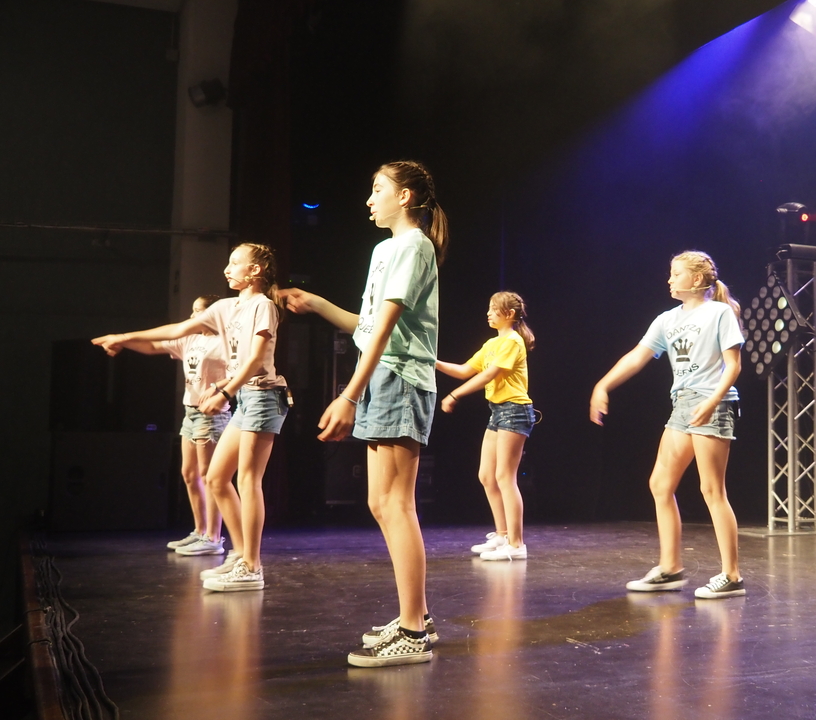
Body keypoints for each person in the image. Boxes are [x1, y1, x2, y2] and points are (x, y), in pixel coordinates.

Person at [279, 160, 447, 668]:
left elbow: (387, 329)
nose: (370, 200)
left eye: (378, 190)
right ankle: (416, 615)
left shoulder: (414, 246)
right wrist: (316, 303)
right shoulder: (384, 250)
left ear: (406, 196)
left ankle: (414, 631)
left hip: (400, 379)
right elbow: (367, 324)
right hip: (379, 377)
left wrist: (348, 396)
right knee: (380, 501)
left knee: (397, 504)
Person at [94, 243, 289, 593]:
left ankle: (252, 566)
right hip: (245, 398)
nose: (227, 269)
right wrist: (124, 338)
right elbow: (176, 330)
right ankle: (241, 556)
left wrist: (225, 392)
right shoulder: (226, 307)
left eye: (235, 263)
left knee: (248, 480)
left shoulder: (263, 306)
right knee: (215, 478)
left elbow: (258, 359)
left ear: (255, 271)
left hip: (263, 396)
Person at [589, 250, 746, 599]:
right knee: (660, 484)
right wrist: (603, 385)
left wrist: (712, 401)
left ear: (696, 279)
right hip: (682, 403)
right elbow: (637, 356)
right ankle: (670, 568)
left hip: (712, 400)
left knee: (711, 490)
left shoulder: (719, 312)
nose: (670, 279)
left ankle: (732, 576)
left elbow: (733, 365)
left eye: (676, 274)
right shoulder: (666, 319)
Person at [100, 295, 230, 556]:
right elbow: (153, 346)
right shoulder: (191, 339)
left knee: (209, 476)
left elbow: (241, 372)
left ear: (212, 314)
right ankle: (200, 531)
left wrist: (219, 387)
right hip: (190, 412)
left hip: (211, 415)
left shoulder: (225, 343)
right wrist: (122, 342)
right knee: (189, 474)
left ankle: (214, 538)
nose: (192, 317)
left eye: (198, 311)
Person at [437, 291, 536, 561]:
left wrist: (455, 395)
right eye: (489, 308)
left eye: (494, 309)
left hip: (515, 411)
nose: (488, 313)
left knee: (505, 476)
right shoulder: (491, 344)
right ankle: (502, 535)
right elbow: (464, 370)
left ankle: (516, 544)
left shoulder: (513, 341)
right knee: (486, 476)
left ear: (509, 314)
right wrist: (432, 362)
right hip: (498, 411)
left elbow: (490, 374)